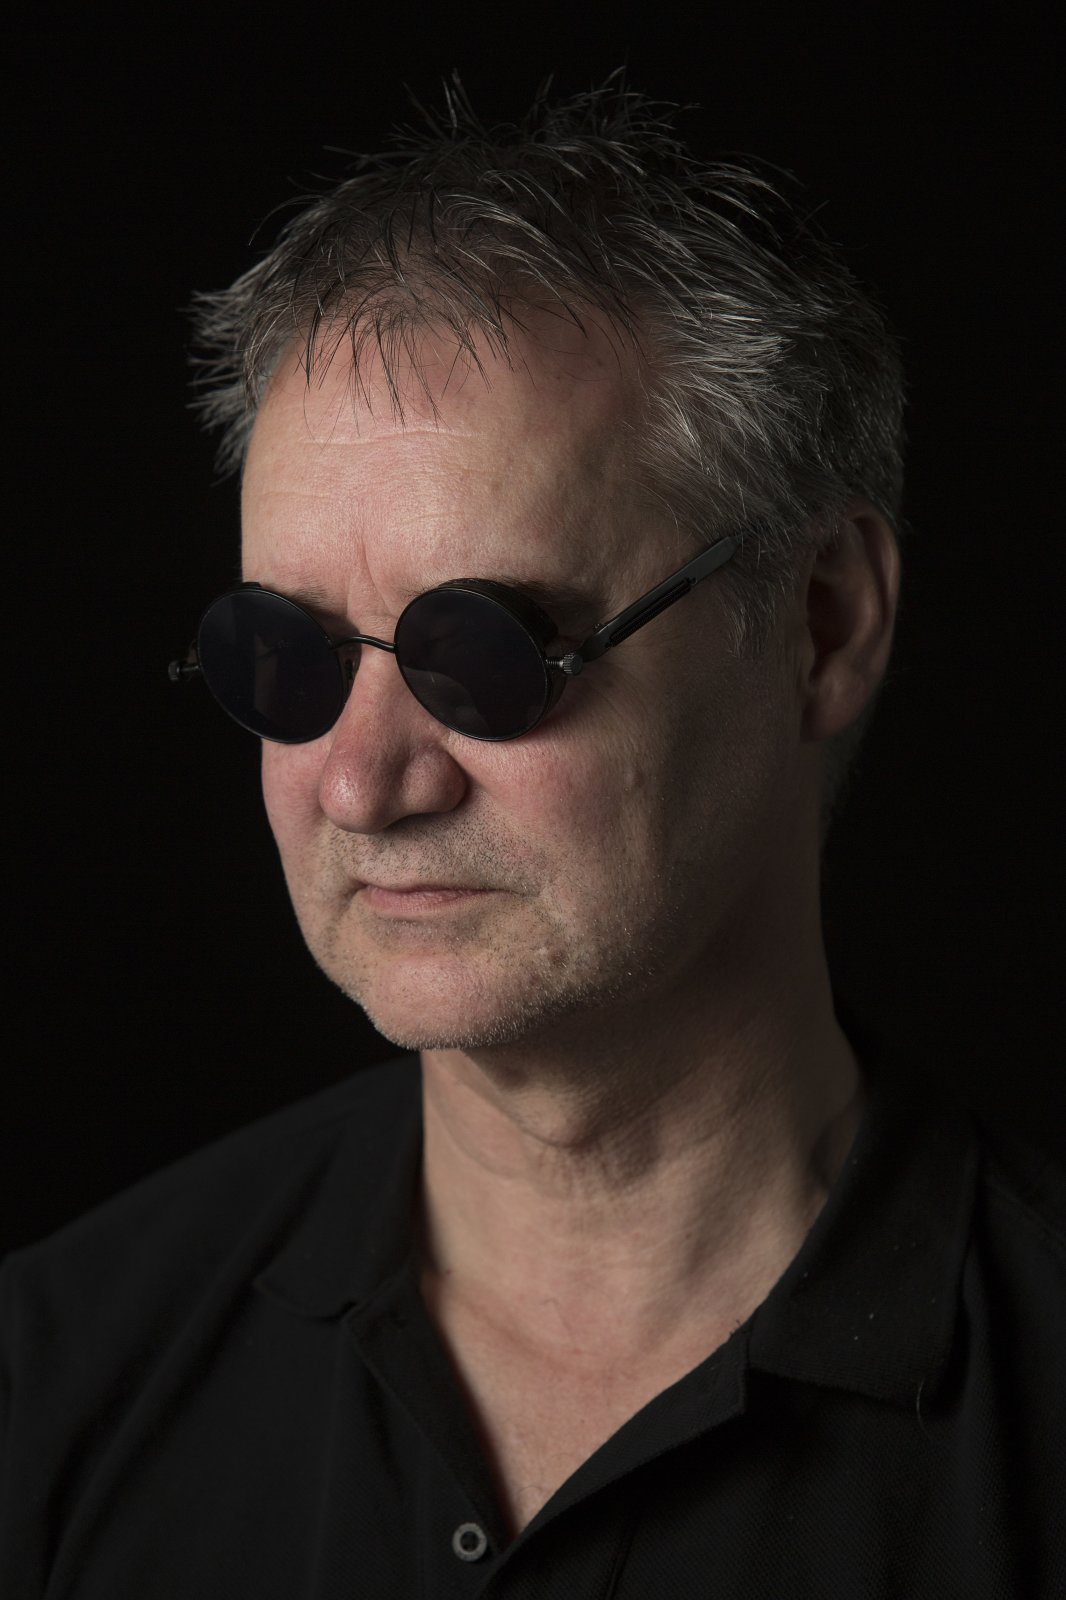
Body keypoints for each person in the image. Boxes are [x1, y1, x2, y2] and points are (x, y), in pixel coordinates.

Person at [1, 77, 1062, 1599]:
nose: (361, 786)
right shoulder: (54, 1385)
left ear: (823, 623)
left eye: (485, 651)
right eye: (284, 658)